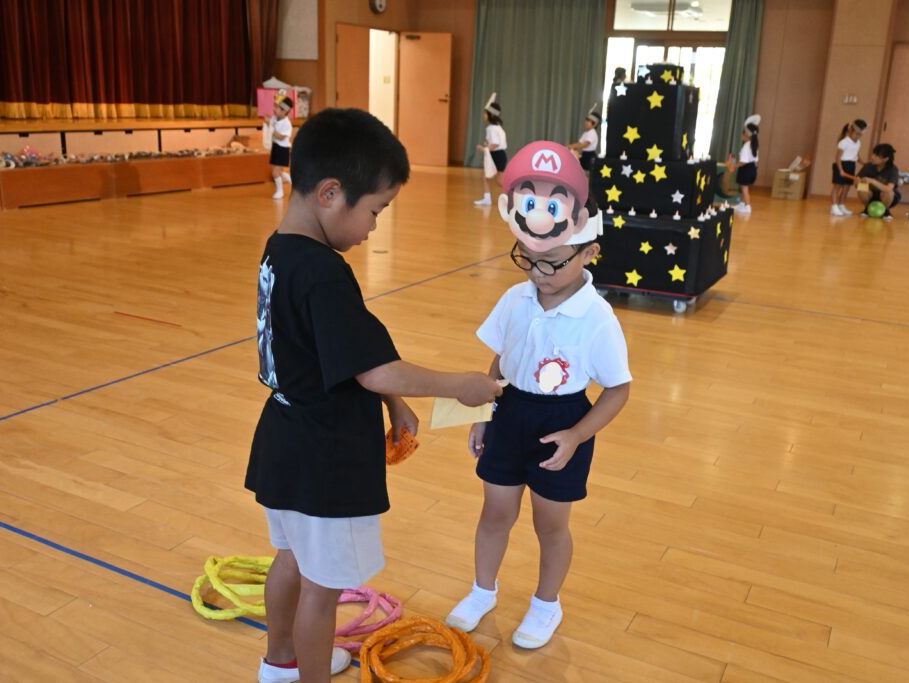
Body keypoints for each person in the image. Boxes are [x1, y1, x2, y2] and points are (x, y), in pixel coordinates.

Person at [248, 108, 503, 683]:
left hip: (283, 442)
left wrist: (393, 403)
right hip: (324, 458)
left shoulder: (281, 250)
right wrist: (460, 386)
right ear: (331, 193)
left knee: (291, 559)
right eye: (375, 210)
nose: (373, 227)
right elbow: (376, 371)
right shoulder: (324, 273)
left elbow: (338, 350)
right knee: (322, 587)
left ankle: (281, 662)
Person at [445, 141, 632, 650]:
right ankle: (483, 591)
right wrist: (484, 413)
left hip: (562, 423)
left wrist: (576, 435)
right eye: (527, 259)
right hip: (510, 412)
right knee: (495, 512)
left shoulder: (597, 318)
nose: (536, 272)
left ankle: (547, 604)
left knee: (550, 524)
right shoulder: (515, 298)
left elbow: (618, 390)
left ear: (589, 251)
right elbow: (500, 360)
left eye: (551, 262)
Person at [474, 96, 507, 207]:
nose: (484, 115)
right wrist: (487, 143)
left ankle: (515, 196)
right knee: (486, 176)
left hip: (497, 155)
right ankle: (487, 199)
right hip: (499, 155)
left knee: (499, 181)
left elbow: (495, 144)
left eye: (485, 113)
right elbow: (492, 141)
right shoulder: (497, 127)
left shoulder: (492, 128)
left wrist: (484, 149)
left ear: (490, 115)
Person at [830, 119, 867, 216]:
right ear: (850, 130)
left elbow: (856, 155)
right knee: (837, 187)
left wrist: (864, 163)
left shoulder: (858, 143)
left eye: (860, 135)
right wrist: (841, 170)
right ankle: (834, 207)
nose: (858, 136)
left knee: (846, 187)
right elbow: (837, 157)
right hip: (840, 164)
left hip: (851, 165)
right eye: (857, 134)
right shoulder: (844, 142)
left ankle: (841, 205)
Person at [856, 143, 901, 220]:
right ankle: (867, 209)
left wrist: (872, 181)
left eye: (877, 156)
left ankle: (886, 211)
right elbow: (857, 182)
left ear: (885, 159)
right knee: (861, 189)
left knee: (888, 192)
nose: (872, 157)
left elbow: (888, 188)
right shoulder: (868, 166)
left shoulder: (893, 169)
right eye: (873, 154)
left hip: (887, 197)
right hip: (871, 195)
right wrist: (858, 182)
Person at [730, 114, 760, 215]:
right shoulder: (754, 145)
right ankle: (742, 204)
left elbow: (743, 161)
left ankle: (747, 206)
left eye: (743, 133)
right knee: (744, 188)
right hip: (752, 168)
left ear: (747, 134)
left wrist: (734, 166)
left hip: (746, 169)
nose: (742, 135)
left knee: (744, 189)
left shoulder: (747, 145)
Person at [269, 95, 294, 200]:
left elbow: (281, 137)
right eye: (274, 106)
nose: (274, 109)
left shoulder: (287, 124)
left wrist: (271, 128)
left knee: (275, 173)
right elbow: (270, 124)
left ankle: (280, 191)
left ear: (284, 111)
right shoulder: (275, 118)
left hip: (282, 150)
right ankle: (289, 178)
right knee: (277, 170)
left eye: (277, 107)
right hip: (276, 147)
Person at [568, 106, 600, 171]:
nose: (586, 122)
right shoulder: (586, 133)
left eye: (589, 121)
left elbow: (584, 145)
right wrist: (571, 148)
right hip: (584, 155)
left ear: (594, 124)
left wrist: (570, 146)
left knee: (587, 173)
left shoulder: (592, 133)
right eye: (586, 120)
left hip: (590, 157)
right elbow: (579, 143)